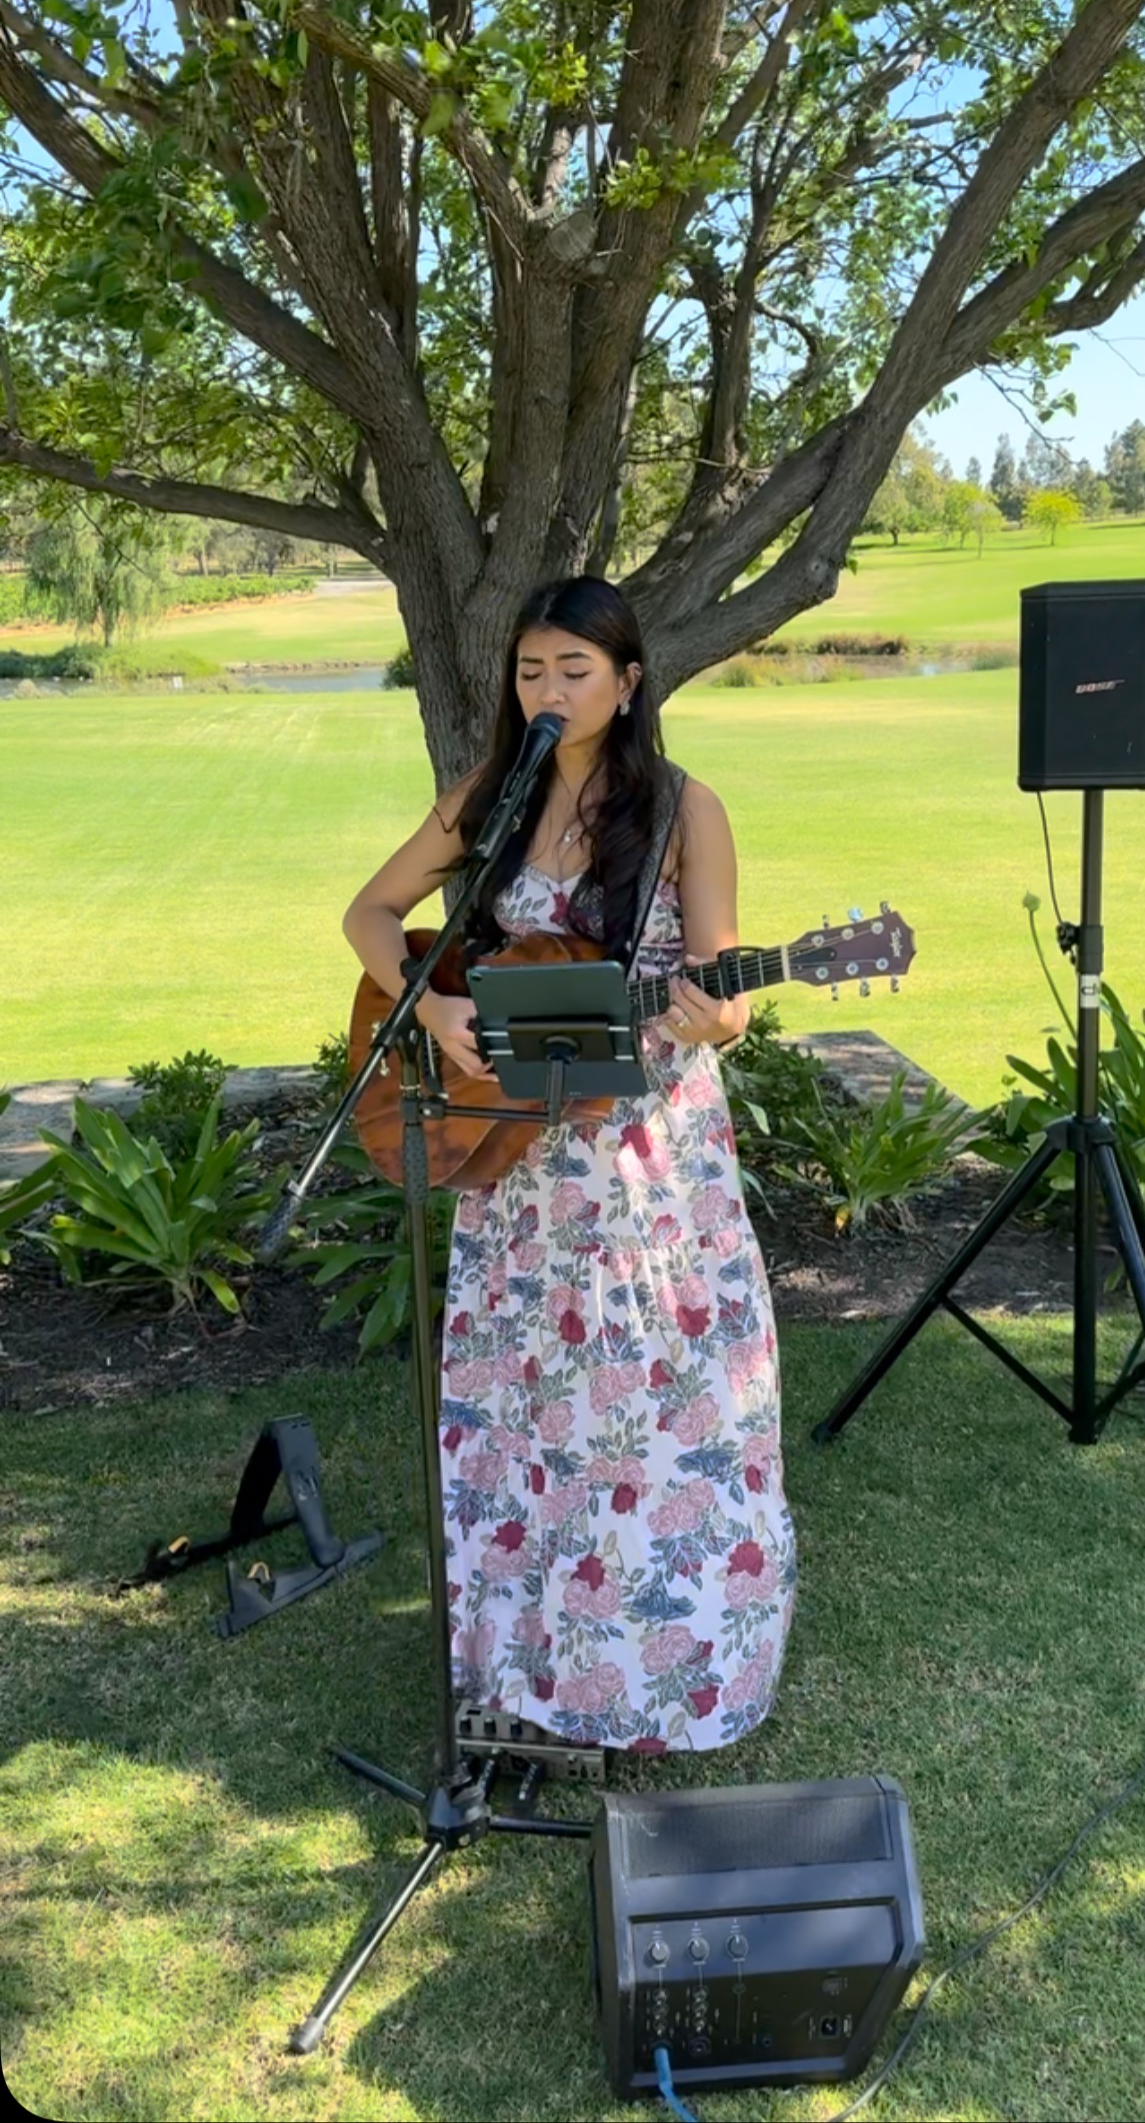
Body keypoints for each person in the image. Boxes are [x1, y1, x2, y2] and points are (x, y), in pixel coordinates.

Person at [343, 575, 795, 1751]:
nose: (550, 690)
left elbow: (722, 983)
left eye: (575, 671)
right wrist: (429, 1010)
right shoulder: (487, 799)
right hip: (517, 1151)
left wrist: (717, 1014)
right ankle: (528, 1658)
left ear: (630, 680)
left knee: (649, 1408)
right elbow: (373, 914)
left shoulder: (686, 809)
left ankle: (665, 1671)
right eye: (532, 670)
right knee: (531, 1406)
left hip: (645, 1157)